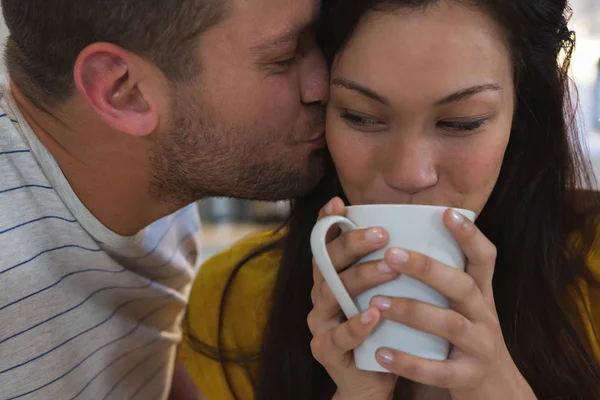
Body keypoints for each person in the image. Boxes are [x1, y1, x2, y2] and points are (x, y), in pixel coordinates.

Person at [180, 0, 600, 399]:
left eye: (461, 122)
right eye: (361, 116)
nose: (410, 174)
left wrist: (498, 387)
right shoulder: (231, 308)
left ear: (522, 117)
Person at [0, 0, 328, 398]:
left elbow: (149, 363)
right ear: (125, 92)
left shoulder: (155, 177)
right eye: (284, 56)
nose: (323, 85)